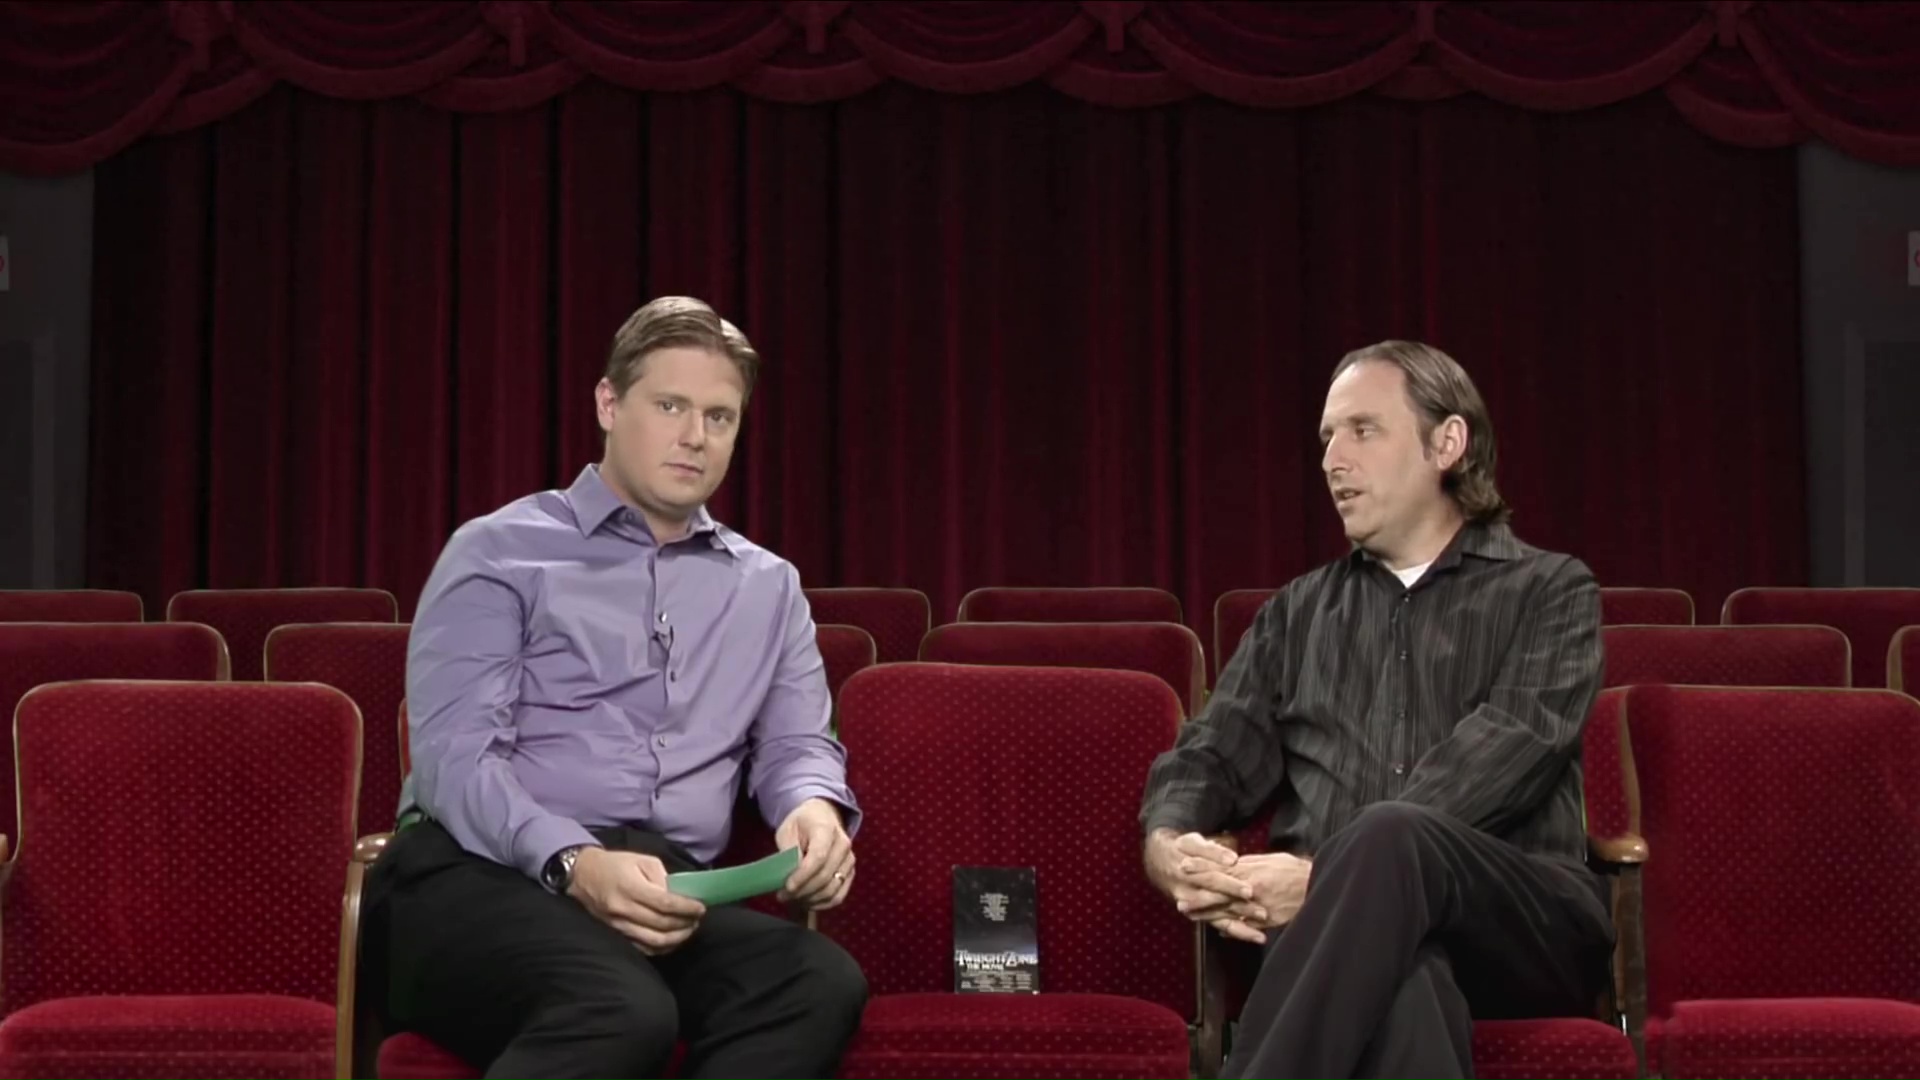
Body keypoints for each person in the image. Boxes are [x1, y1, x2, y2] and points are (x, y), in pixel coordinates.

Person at [363, 296, 867, 1080]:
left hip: (663, 886)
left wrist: (812, 807)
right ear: (608, 403)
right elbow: (456, 760)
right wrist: (574, 861)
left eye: (719, 417)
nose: (695, 436)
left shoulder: (769, 587)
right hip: (474, 873)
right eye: (670, 406)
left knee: (814, 983)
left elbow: (796, 744)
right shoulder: (498, 552)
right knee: (621, 1008)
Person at [1139, 341, 1613, 1080]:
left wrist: (1326, 877)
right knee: (1404, 985)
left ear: (1447, 444)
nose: (1334, 460)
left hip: (1521, 921)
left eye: (1363, 430)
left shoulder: (1551, 591)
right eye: (1327, 438)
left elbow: (1504, 755)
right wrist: (1169, 844)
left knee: (1392, 836)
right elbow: (1214, 753)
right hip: (1345, 944)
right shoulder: (1297, 613)